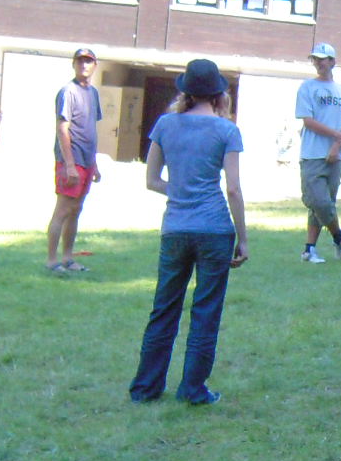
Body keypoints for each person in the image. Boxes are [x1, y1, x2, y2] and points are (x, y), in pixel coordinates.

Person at [130, 58, 248, 406]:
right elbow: (233, 189)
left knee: (164, 308)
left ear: (186, 92)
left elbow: (152, 180)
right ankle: (194, 389)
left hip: (176, 228)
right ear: (219, 94)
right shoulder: (227, 131)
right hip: (215, 229)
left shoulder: (165, 125)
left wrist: (180, 190)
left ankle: (146, 388)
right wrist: (243, 238)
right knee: (205, 311)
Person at [296, 42, 341, 262]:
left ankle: (309, 249)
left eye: (322, 59)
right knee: (318, 202)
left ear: (332, 61)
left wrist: (337, 145)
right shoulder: (307, 87)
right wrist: (337, 136)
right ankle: (339, 236)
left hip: (335, 155)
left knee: (326, 203)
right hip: (312, 153)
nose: (318, 63)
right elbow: (308, 120)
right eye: (315, 59)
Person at [47, 48, 101, 274]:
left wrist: (94, 163)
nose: (84, 65)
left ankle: (68, 258)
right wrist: (69, 165)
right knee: (63, 210)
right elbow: (62, 128)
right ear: (73, 64)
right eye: (80, 61)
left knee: (76, 209)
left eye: (88, 61)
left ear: (95, 65)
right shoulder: (68, 91)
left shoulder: (93, 93)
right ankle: (52, 261)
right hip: (72, 159)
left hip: (87, 161)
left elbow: (91, 128)